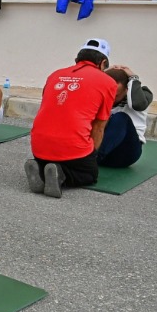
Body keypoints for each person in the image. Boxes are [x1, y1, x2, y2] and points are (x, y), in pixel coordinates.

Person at [26, 38, 119, 198]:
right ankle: (62, 175)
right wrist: (92, 156)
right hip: (72, 147)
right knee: (89, 174)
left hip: (39, 145)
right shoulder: (108, 82)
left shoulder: (55, 75)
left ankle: (42, 169)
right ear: (103, 62)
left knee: (52, 158)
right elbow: (99, 126)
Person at [96, 65, 153, 170]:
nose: (112, 98)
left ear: (127, 89)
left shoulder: (143, 95)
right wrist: (100, 75)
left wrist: (133, 78)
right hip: (99, 146)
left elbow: (138, 104)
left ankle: (91, 160)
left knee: (121, 118)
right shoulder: (101, 96)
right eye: (109, 94)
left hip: (125, 154)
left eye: (116, 95)